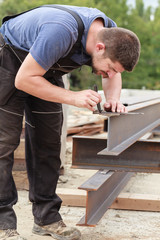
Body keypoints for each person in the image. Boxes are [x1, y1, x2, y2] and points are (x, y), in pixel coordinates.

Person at [0, 4, 140, 240]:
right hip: (10, 61)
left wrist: (113, 99)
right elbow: (24, 79)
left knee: (50, 144)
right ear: (99, 47)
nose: (108, 75)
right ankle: (4, 224)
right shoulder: (61, 31)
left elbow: (114, 74)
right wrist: (73, 97)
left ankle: (47, 219)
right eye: (108, 70)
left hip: (46, 71)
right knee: (3, 144)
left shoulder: (113, 34)